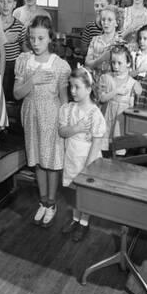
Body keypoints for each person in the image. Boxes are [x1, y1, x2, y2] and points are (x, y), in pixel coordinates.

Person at [13, 15, 71, 228]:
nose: (36, 43)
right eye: (32, 38)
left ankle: (52, 203)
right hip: (30, 115)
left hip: (51, 116)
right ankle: (43, 201)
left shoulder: (60, 65)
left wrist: (65, 123)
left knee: (51, 161)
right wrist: (32, 80)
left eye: (41, 38)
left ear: (50, 38)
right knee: (37, 159)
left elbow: (64, 99)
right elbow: (17, 94)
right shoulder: (23, 61)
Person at [59, 67, 106, 241]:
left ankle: (84, 223)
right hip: (72, 156)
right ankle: (75, 218)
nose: (72, 91)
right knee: (73, 191)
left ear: (88, 89)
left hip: (87, 159)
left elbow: (96, 142)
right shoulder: (68, 109)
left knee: (85, 192)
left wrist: (88, 167)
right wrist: (76, 128)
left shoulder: (95, 114)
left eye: (76, 87)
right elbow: (62, 132)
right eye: (70, 86)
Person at [98, 44, 142, 151]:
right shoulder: (106, 78)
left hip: (122, 121)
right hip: (108, 118)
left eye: (119, 63)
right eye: (113, 62)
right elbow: (102, 98)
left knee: (120, 150)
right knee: (105, 150)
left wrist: (137, 89)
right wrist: (116, 91)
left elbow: (133, 105)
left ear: (128, 63)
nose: (116, 66)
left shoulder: (132, 82)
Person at [0, 0, 26, 101]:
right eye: (2, 1)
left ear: (14, 4)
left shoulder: (20, 26)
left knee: (12, 99)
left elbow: (25, 50)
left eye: (9, 1)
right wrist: (4, 38)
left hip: (14, 67)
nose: (5, 5)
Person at [85, 4, 120, 84]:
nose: (105, 23)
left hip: (113, 86)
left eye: (110, 20)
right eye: (103, 19)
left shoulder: (121, 44)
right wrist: (101, 58)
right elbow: (87, 63)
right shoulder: (95, 40)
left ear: (117, 22)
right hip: (95, 84)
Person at [78, 0, 112, 64]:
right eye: (96, 6)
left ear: (109, 6)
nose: (99, 8)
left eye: (102, 6)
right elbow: (83, 49)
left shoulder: (113, 27)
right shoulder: (89, 27)